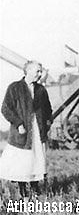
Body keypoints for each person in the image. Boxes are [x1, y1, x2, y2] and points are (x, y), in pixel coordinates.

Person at [0, 61, 52, 199]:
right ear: (28, 70)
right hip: (22, 133)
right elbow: (5, 108)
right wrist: (18, 124)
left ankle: (35, 189)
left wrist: (47, 124)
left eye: (41, 71)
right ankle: (23, 191)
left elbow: (48, 110)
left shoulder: (41, 90)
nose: (40, 74)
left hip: (38, 131)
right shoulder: (14, 88)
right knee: (23, 161)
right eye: (37, 71)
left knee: (37, 158)